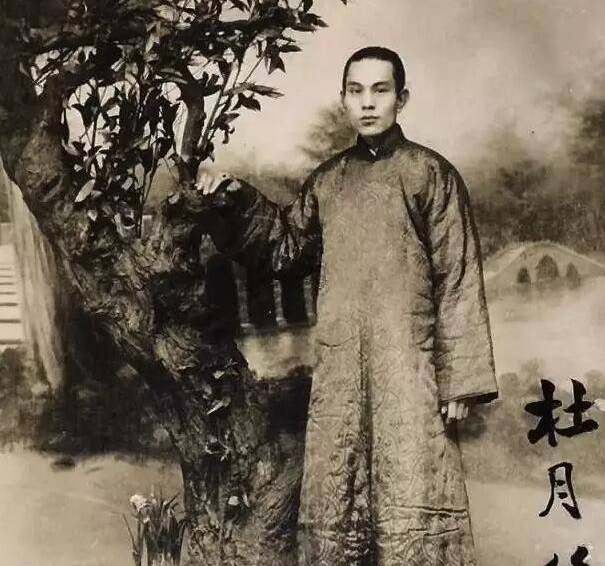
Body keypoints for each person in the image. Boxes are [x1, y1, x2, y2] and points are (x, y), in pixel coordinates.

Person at [196, 46, 498, 566]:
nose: (368, 103)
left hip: (411, 365)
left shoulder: (431, 174)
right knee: (339, 489)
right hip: (341, 368)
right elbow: (283, 248)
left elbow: (458, 275)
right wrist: (231, 197)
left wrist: (460, 381)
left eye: (380, 90)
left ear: (402, 98)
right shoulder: (328, 181)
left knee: (415, 484)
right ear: (343, 100)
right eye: (355, 91)